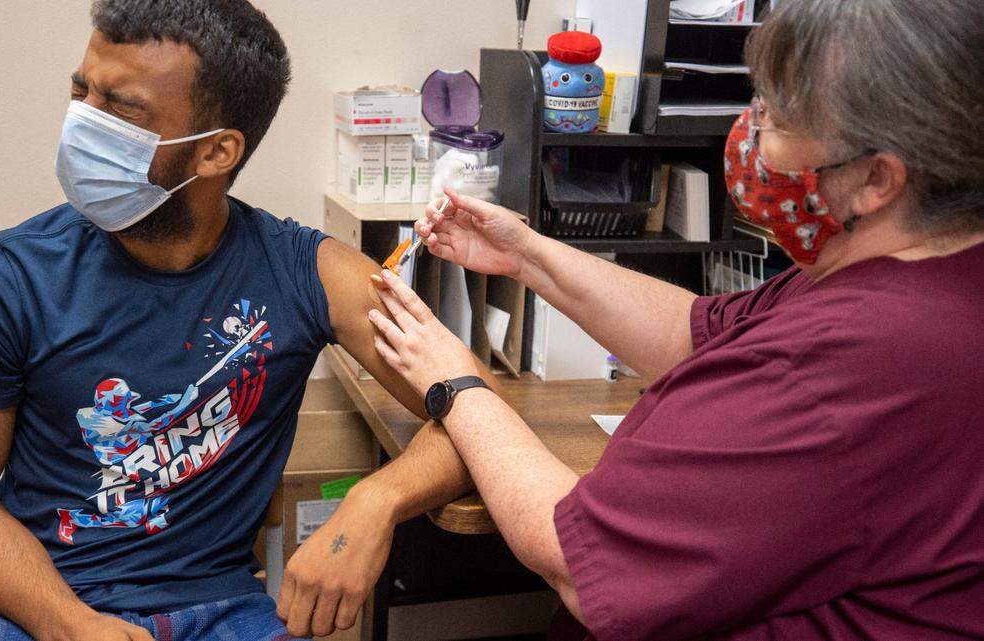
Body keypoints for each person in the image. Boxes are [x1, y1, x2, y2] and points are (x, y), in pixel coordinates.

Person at [368, 0, 984, 639]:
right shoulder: (920, 271)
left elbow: (575, 559)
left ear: (875, 178)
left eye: (774, 116)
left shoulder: (847, 361)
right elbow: (695, 333)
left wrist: (456, 382)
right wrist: (526, 253)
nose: (749, 133)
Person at [0, 2, 495, 640]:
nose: (82, 120)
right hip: (41, 604)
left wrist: (376, 501)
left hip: (223, 610)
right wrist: (72, 626)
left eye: (120, 106)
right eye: (81, 90)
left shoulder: (306, 272)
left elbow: (478, 413)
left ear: (217, 151)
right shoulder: (4, 280)